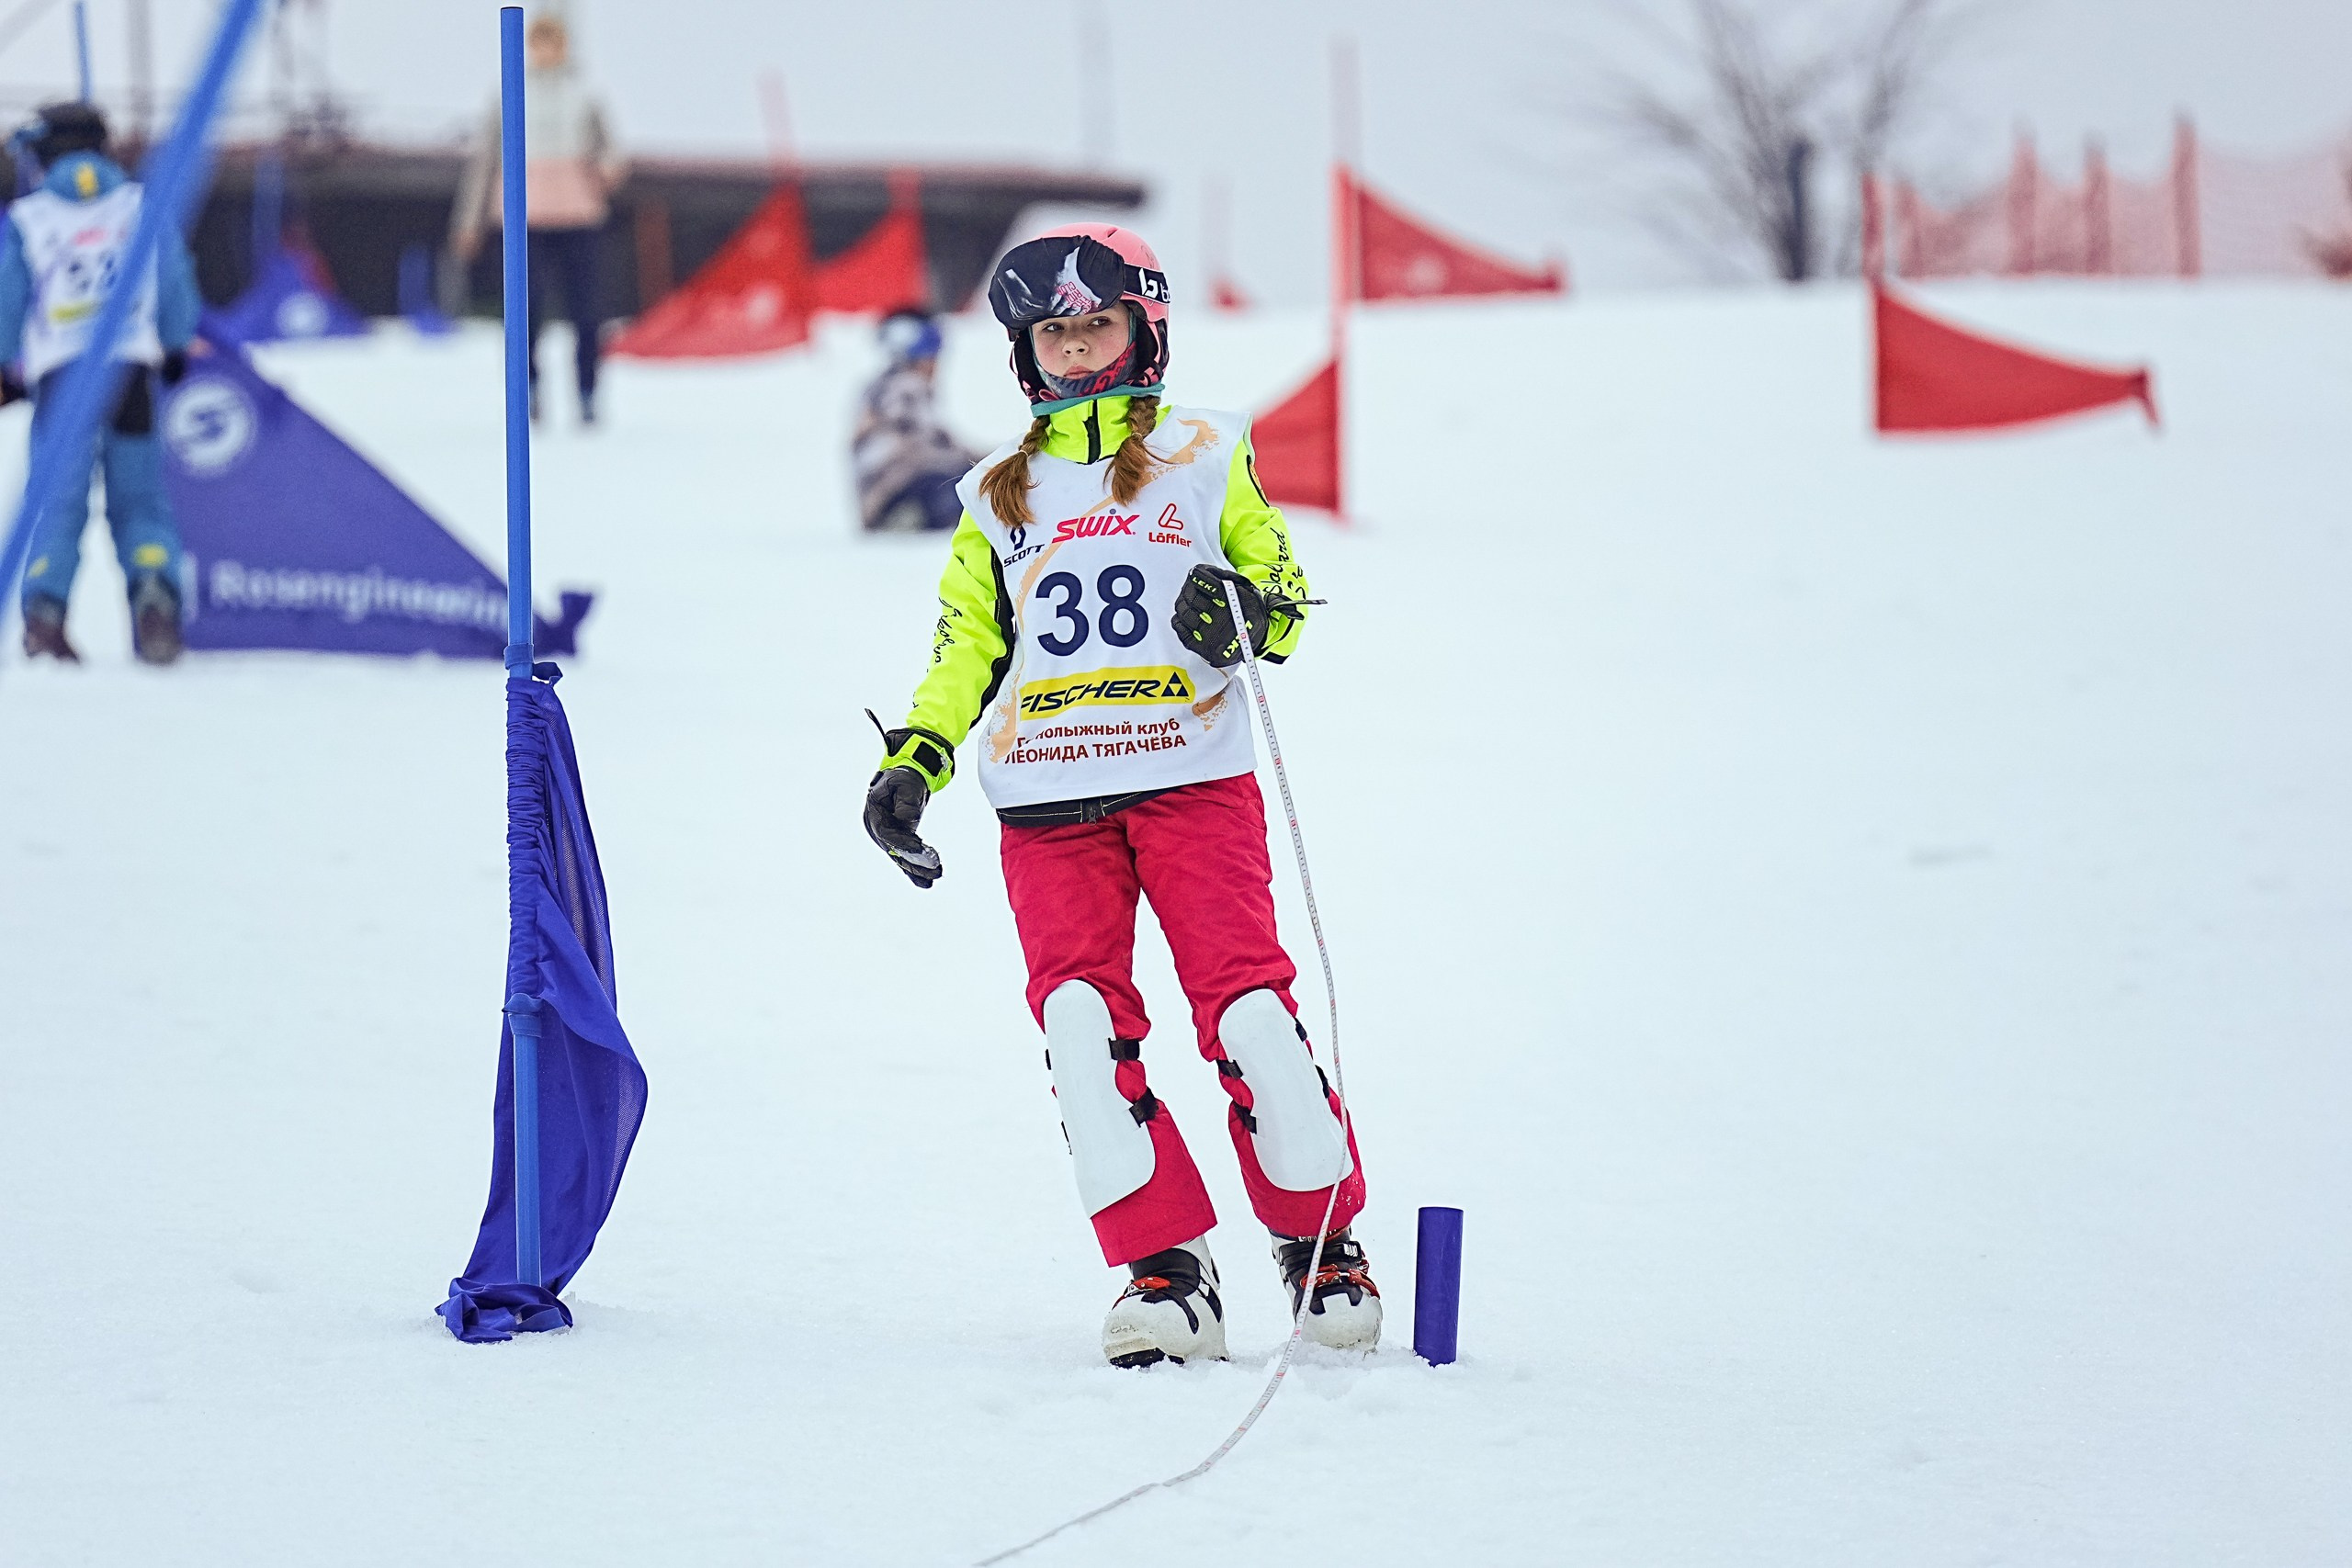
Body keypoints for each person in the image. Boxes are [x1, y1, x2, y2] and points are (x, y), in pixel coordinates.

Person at [861, 225, 1379, 1368]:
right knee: (1081, 1028)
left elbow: (1277, 578)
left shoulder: (1203, 450)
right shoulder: (997, 494)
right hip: (1047, 801)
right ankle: (1165, 1271)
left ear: (1143, 326)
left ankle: (1320, 1246)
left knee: (1249, 1018)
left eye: (1096, 324)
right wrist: (917, 760)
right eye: (1054, 333)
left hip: (1190, 778)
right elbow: (966, 648)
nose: (1077, 350)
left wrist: (1251, 610)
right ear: (1024, 354)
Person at [0, 101, 200, 665]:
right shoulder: (141, 206)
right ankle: (156, 596)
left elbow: (7, 300)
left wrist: (5, 362)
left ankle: (44, 615)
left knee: (56, 505)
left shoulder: (27, 217)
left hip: (61, 375)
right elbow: (175, 279)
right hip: (130, 371)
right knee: (140, 501)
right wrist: (176, 343)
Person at [450, 10, 623, 426]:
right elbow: (485, 160)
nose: (546, 50)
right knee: (525, 311)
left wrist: (604, 172)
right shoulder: (510, 91)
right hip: (522, 216)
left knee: (586, 311)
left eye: (553, 41)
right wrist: (468, 221)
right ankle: (528, 390)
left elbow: (611, 150)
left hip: (577, 214)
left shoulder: (586, 93)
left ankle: (586, 391)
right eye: (539, 41)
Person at [854, 309, 979, 533]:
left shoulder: (883, 388)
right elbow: (931, 446)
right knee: (974, 489)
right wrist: (992, 463)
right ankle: (910, 517)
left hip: (881, 499)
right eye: (931, 356)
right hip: (900, 494)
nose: (936, 365)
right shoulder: (905, 388)